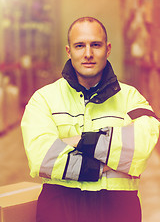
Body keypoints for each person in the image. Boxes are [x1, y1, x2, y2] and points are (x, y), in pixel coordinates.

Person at [21, 17, 160, 222]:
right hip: (60, 207)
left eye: (95, 45)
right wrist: (105, 164)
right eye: (80, 46)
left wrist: (76, 141)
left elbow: (141, 146)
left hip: (118, 209)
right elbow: (41, 157)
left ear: (108, 49)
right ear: (69, 51)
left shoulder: (131, 97)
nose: (88, 54)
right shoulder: (43, 99)